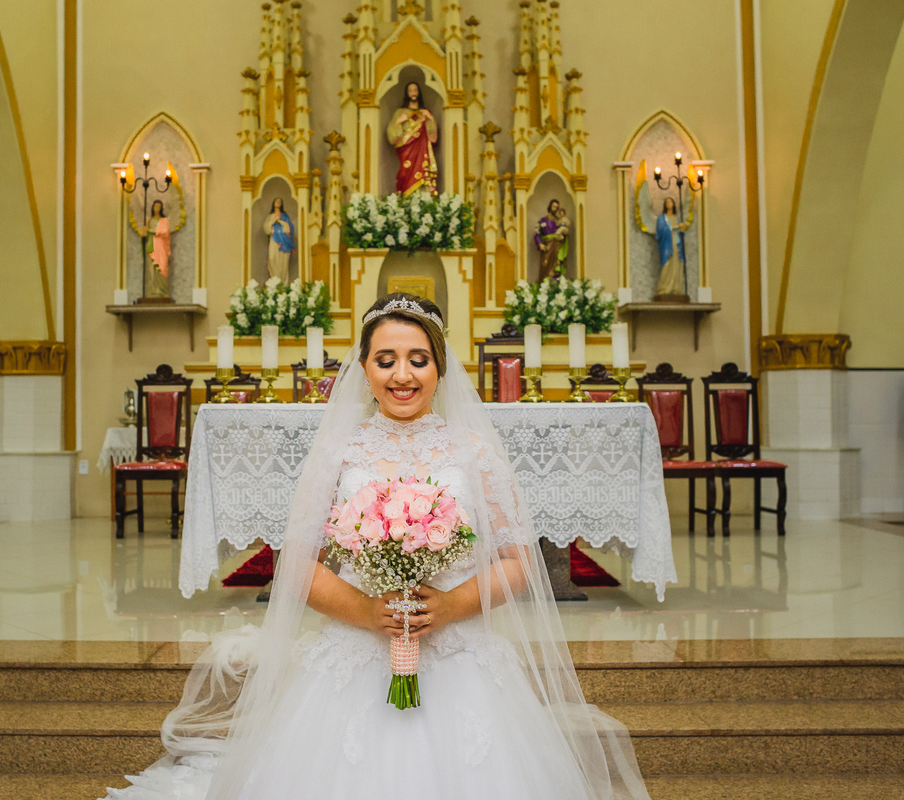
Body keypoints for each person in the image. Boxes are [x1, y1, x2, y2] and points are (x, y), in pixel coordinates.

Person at [103, 293, 652, 800]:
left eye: (418, 358)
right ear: (364, 368)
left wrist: (451, 605)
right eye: (385, 359)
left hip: (461, 652)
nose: (402, 374)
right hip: (354, 652)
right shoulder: (338, 451)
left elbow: (517, 561)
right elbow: (295, 564)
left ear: (439, 367)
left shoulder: (474, 450)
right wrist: (366, 609)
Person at [386, 82, 438, 196]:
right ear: (407, 93)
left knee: (422, 173)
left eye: (415, 90)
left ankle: (423, 198)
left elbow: (432, 137)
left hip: (422, 149)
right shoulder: (400, 112)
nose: (413, 93)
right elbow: (392, 136)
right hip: (406, 151)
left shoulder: (425, 112)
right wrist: (399, 123)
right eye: (411, 90)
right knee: (405, 173)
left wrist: (429, 118)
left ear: (418, 92)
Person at [653, 197, 688, 299]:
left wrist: (682, 229)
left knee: (676, 265)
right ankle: (664, 288)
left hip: (676, 245)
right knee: (667, 265)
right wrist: (673, 228)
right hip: (667, 245)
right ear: (665, 205)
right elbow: (660, 231)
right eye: (667, 202)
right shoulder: (661, 218)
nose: (669, 203)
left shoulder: (676, 218)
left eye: (671, 201)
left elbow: (681, 235)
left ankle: (675, 288)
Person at [535, 198, 571, 279]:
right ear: (550, 206)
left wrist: (563, 237)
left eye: (556, 207)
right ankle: (544, 287)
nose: (555, 209)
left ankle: (556, 287)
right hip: (547, 247)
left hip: (557, 247)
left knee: (556, 268)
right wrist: (539, 244)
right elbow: (537, 233)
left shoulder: (559, 221)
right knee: (545, 268)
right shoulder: (542, 220)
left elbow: (564, 233)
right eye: (553, 206)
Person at [262, 198, 295, 282]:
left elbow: (288, 228)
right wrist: (273, 220)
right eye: (276, 201)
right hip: (274, 240)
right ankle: (274, 281)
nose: (278, 202)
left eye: (280, 201)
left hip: (284, 241)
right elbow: (266, 229)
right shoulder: (270, 216)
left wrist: (280, 221)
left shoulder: (285, 216)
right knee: (272, 259)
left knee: (283, 262)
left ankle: (283, 283)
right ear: (273, 203)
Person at [144, 199, 171, 299]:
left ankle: (162, 291)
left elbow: (165, 232)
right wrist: (144, 234)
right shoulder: (149, 220)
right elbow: (144, 233)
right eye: (155, 206)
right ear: (152, 208)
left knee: (162, 267)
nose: (157, 208)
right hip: (151, 246)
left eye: (159, 207)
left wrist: (152, 231)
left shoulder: (164, 221)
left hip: (161, 247)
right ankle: (151, 292)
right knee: (151, 269)